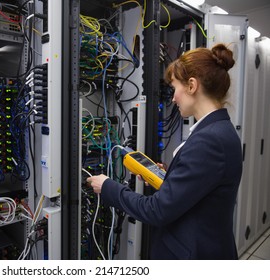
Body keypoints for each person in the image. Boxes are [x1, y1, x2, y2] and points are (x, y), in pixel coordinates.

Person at [86, 43, 243, 260]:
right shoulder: (221, 130)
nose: (173, 98)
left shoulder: (209, 140)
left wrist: (108, 188)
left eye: (175, 88)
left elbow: (156, 211)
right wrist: (170, 178)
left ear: (192, 85)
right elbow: (202, 188)